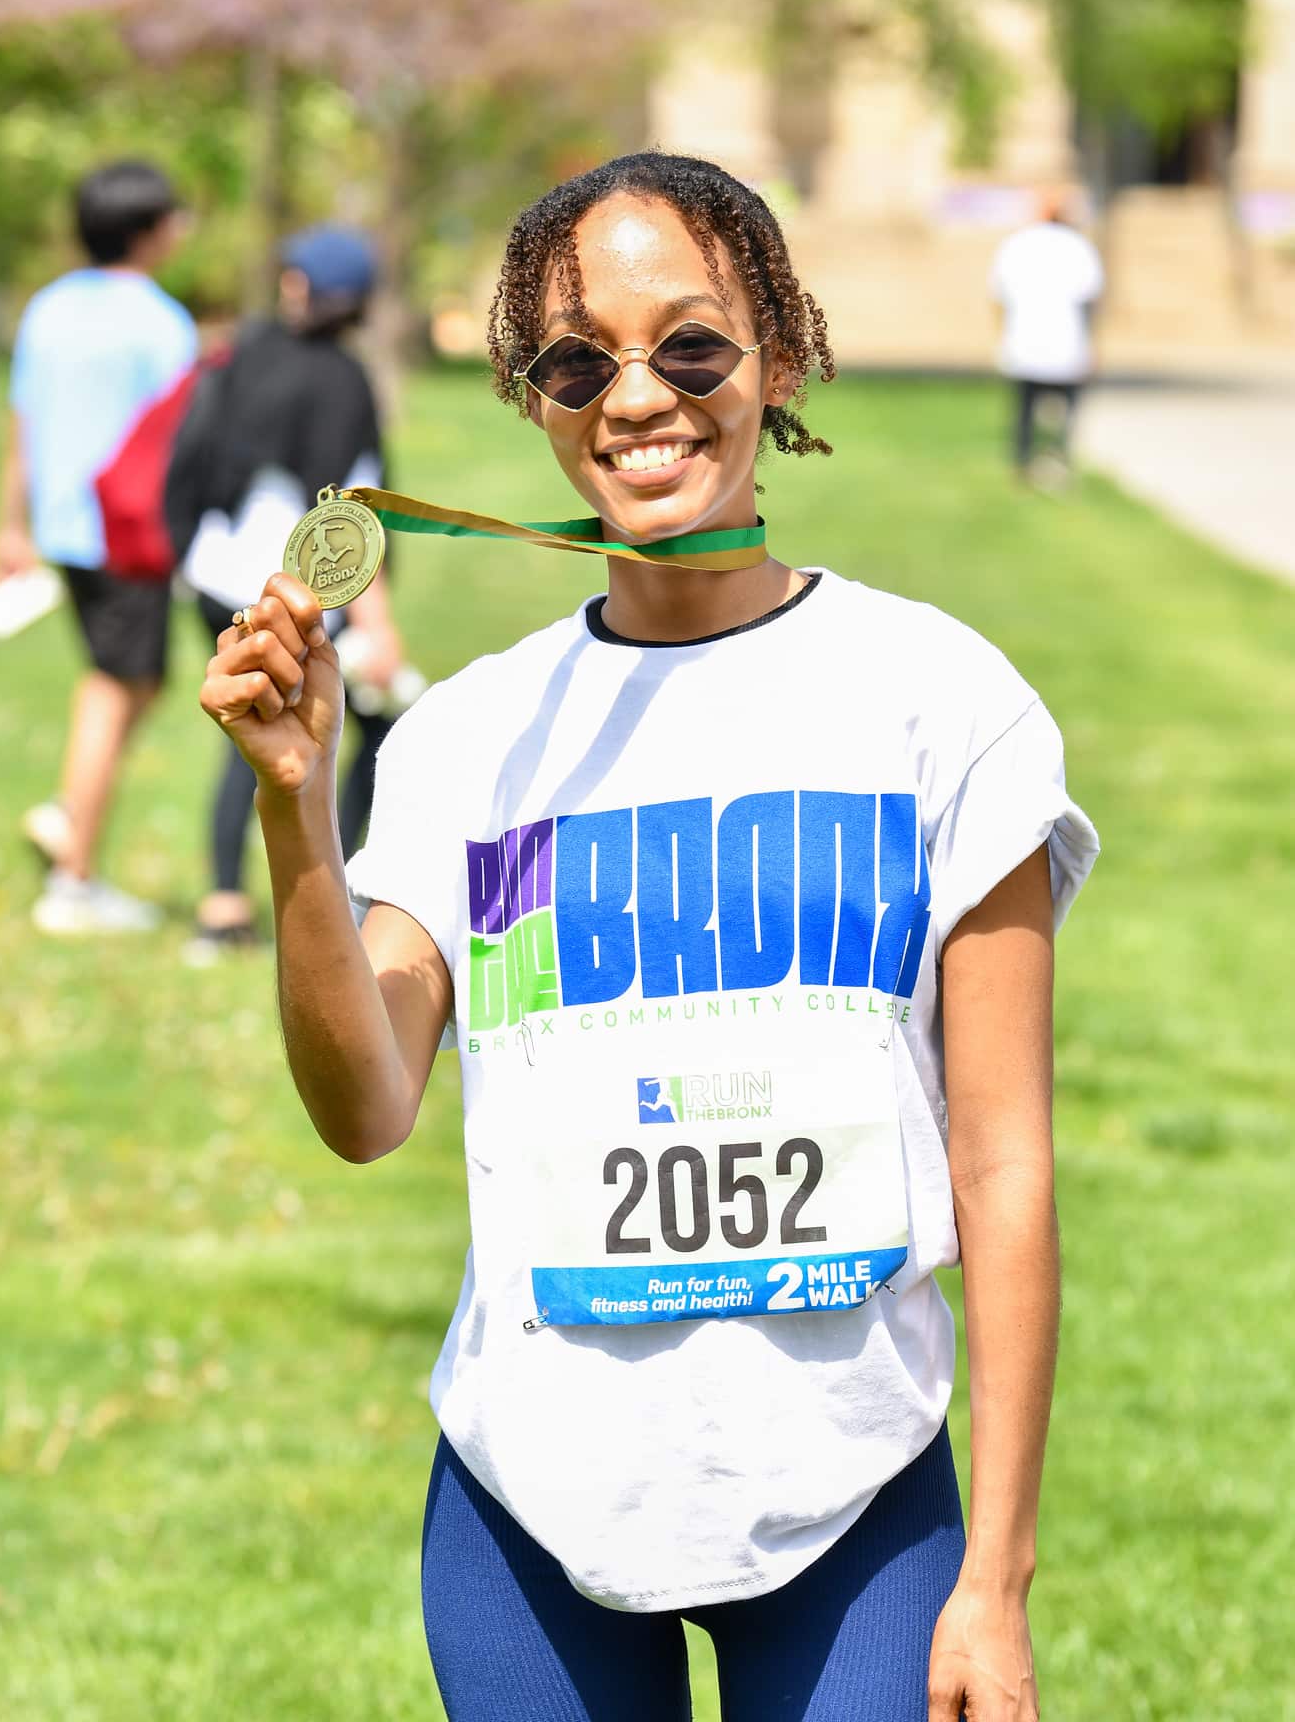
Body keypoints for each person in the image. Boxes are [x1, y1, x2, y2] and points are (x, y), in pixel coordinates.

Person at [200, 152, 1098, 1720]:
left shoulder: (939, 700)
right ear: (532, 400)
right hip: (525, 1500)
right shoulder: (467, 740)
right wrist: (296, 812)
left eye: (691, 345)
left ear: (782, 357)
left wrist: (995, 1580)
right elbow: (365, 1109)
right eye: (576, 362)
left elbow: (1006, 1163)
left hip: (855, 1497)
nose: (637, 397)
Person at [171, 224, 403, 963]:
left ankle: (224, 901)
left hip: (213, 574)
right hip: (292, 589)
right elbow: (349, 519)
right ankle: (335, 895)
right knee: (338, 733)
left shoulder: (246, 352)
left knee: (247, 728)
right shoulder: (341, 380)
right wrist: (379, 624)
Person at [0, 159, 196, 934]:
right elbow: (182, 442)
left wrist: (11, 526)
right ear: (146, 230)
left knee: (131, 682)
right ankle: (72, 883)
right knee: (115, 689)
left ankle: (68, 812)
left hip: (65, 531)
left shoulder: (49, 309)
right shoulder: (159, 322)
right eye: (173, 216)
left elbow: (23, 423)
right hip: (129, 535)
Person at [990, 189, 1104, 484]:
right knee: (1063, 411)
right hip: (1064, 342)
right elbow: (1090, 300)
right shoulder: (1077, 246)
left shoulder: (1017, 245)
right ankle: (1057, 461)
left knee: (1025, 410)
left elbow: (999, 297)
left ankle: (1024, 465)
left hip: (1025, 341)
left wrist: (1001, 334)